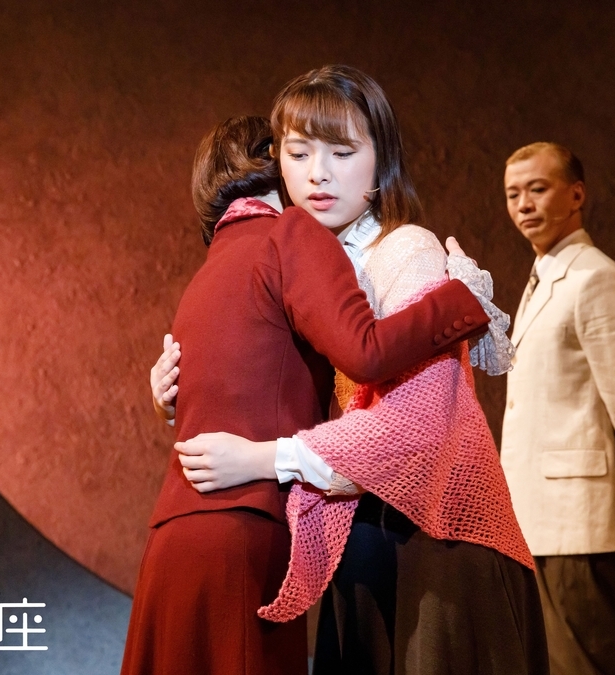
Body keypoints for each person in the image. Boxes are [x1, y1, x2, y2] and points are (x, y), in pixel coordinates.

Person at [169, 66, 549, 675]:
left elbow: (415, 427)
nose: (318, 174)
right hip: (360, 536)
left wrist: (266, 458)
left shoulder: (405, 250)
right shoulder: (304, 265)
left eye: (343, 153)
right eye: (298, 153)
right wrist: (172, 389)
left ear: (381, 163)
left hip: (437, 541)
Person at [119, 115, 494, 675]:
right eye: (297, 155)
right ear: (275, 164)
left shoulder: (210, 268)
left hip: (174, 532)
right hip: (245, 528)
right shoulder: (290, 236)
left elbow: (215, 386)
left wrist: (165, 402)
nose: (316, 172)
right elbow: (365, 351)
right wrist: (464, 299)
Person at [498, 142, 615, 675]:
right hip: (540, 517)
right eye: (512, 194)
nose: (524, 204)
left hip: (577, 519)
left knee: (576, 666)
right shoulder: (544, 276)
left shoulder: (595, 278)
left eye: (537, 189)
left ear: (576, 195)